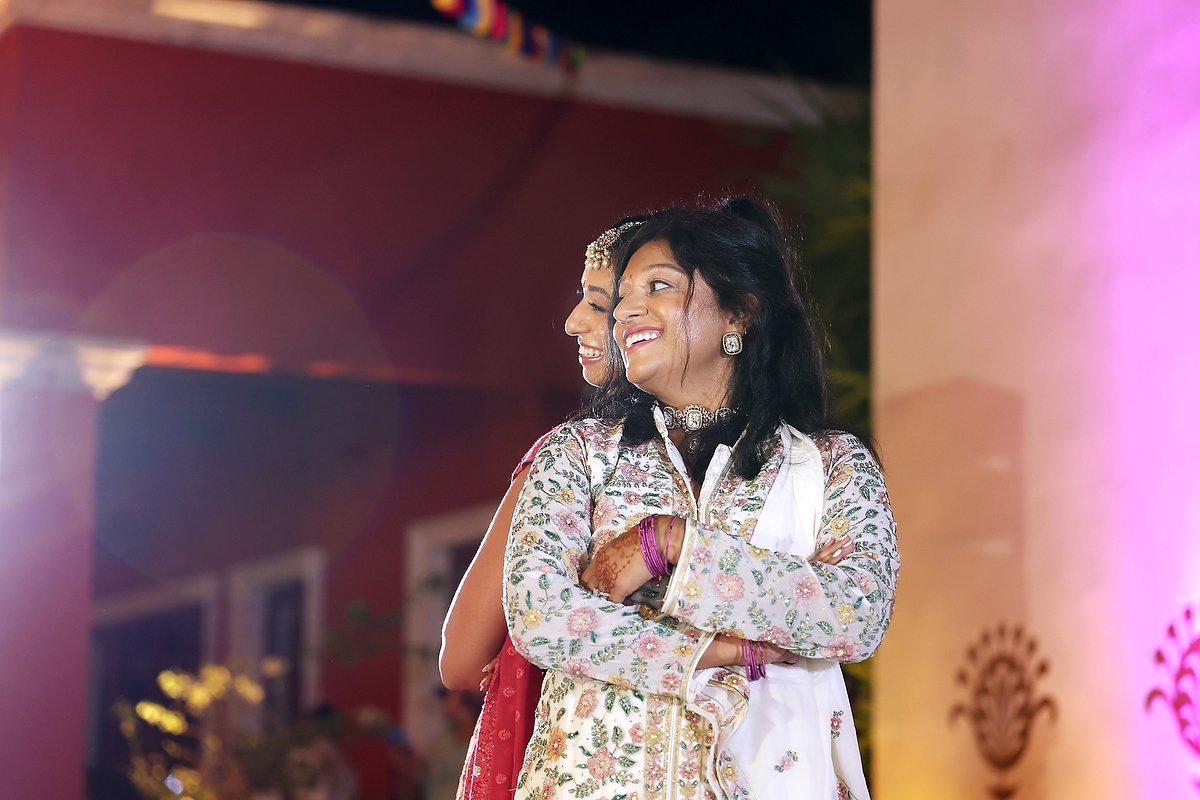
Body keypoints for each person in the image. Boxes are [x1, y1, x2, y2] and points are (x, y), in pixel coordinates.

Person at [504, 197, 898, 799]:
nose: (626, 311)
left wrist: (670, 546)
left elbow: (856, 611)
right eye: (623, 296)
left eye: (658, 286)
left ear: (740, 313)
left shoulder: (829, 465)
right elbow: (540, 615)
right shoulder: (579, 455)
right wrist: (715, 650)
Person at [439, 216, 650, 799]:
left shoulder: (574, 456)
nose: (572, 322)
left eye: (599, 305)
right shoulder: (786, 462)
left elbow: (461, 660)